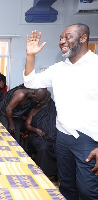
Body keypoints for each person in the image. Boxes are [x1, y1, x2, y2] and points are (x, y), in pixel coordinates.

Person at [23, 23, 98, 200]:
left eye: (67, 37)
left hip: (88, 139)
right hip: (63, 137)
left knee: (88, 190)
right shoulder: (58, 68)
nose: (62, 41)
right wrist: (30, 56)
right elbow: (30, 83)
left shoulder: (95, 66)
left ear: (83, 38)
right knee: (66, 186)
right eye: (61, 38)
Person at [25, 90, 57, 177]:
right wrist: (36, 130)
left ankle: (57, 174)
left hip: (53, 135)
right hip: (37, 135)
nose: (35, 99)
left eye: (38, 98)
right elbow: (27, 125)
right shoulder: (34, 109)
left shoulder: (54, 107)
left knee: (60, 146)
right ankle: (43, 174)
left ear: (46, 99)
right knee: (44, 147)